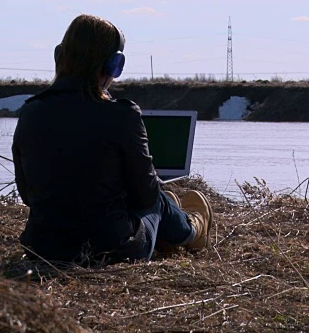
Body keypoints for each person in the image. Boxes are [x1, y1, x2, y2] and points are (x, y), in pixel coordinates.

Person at [11, 14, 212, 265]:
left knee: (154, 197)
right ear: (113, 65)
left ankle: (172, 225)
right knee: (158, 198)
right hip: (112, 251)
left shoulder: (31, 111)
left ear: (59, 55)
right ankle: (193, 231)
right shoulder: (122, 114)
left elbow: (27, 194)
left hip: (44, 250)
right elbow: (146, 197)